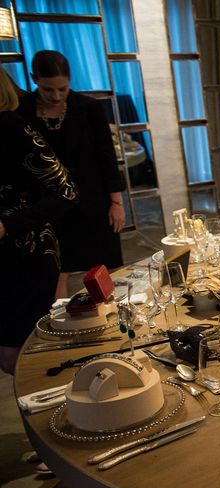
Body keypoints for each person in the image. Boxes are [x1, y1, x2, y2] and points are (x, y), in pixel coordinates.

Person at [16, 50, 125, 297]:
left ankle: (111, 321)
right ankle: (60, 326)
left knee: (102, 271)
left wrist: (116, 202)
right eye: (48, 90)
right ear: (35, 79)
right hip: (47, 203)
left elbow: (106, 157)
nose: (56, 96)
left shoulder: (89, 108)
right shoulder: (21, 111)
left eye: (62, 89)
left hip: (91, 198)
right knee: (55, 271)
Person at [0, 69, 78, 374]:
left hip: (24, 254)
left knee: (15, 355)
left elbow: (66, 192)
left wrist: (9, 224)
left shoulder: (9, 126)